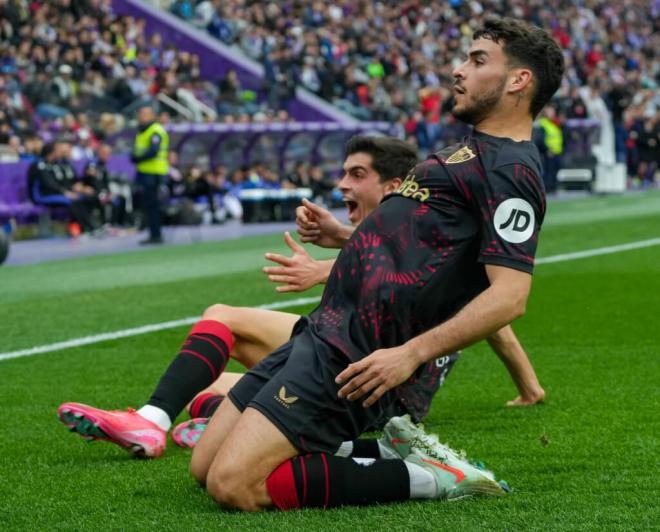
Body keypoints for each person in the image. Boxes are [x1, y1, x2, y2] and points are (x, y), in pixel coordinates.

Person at [185, 17, 563, 511]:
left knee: (234, 486)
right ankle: (382, 454)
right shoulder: (465, 150)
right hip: (321, 331)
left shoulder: (510, 171)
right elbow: (417, 241)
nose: (458, 70)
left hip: (358, 354)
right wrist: (342, 236)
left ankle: (431, 477)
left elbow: (509, 296)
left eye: (477, 61)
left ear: (519, 80)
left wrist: (410, 354)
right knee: (202, 467)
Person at [57, 133, 544, 457]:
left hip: (377, 379)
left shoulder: (445, 236)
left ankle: (164, 422)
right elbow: (395, 258)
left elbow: (493, 312)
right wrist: (339, 243)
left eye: (357, 175)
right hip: (336, 345)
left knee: (223, 356)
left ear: (395, 186)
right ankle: (160, 418)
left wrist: (529, 387)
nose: (341, 184)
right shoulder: (399, 239)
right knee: (206, 377)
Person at [131, 105, 169, 245]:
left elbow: (153, 151)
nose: (142, 116)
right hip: (144, 172)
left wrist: (137, 158)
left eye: (145, 114)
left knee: (153, 205)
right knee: (148, 205)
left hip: (154, 173)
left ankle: (156, 234)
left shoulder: (155, 131)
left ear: (153, 116)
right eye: (141, 114)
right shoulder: (142, 131)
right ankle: (153, 233)